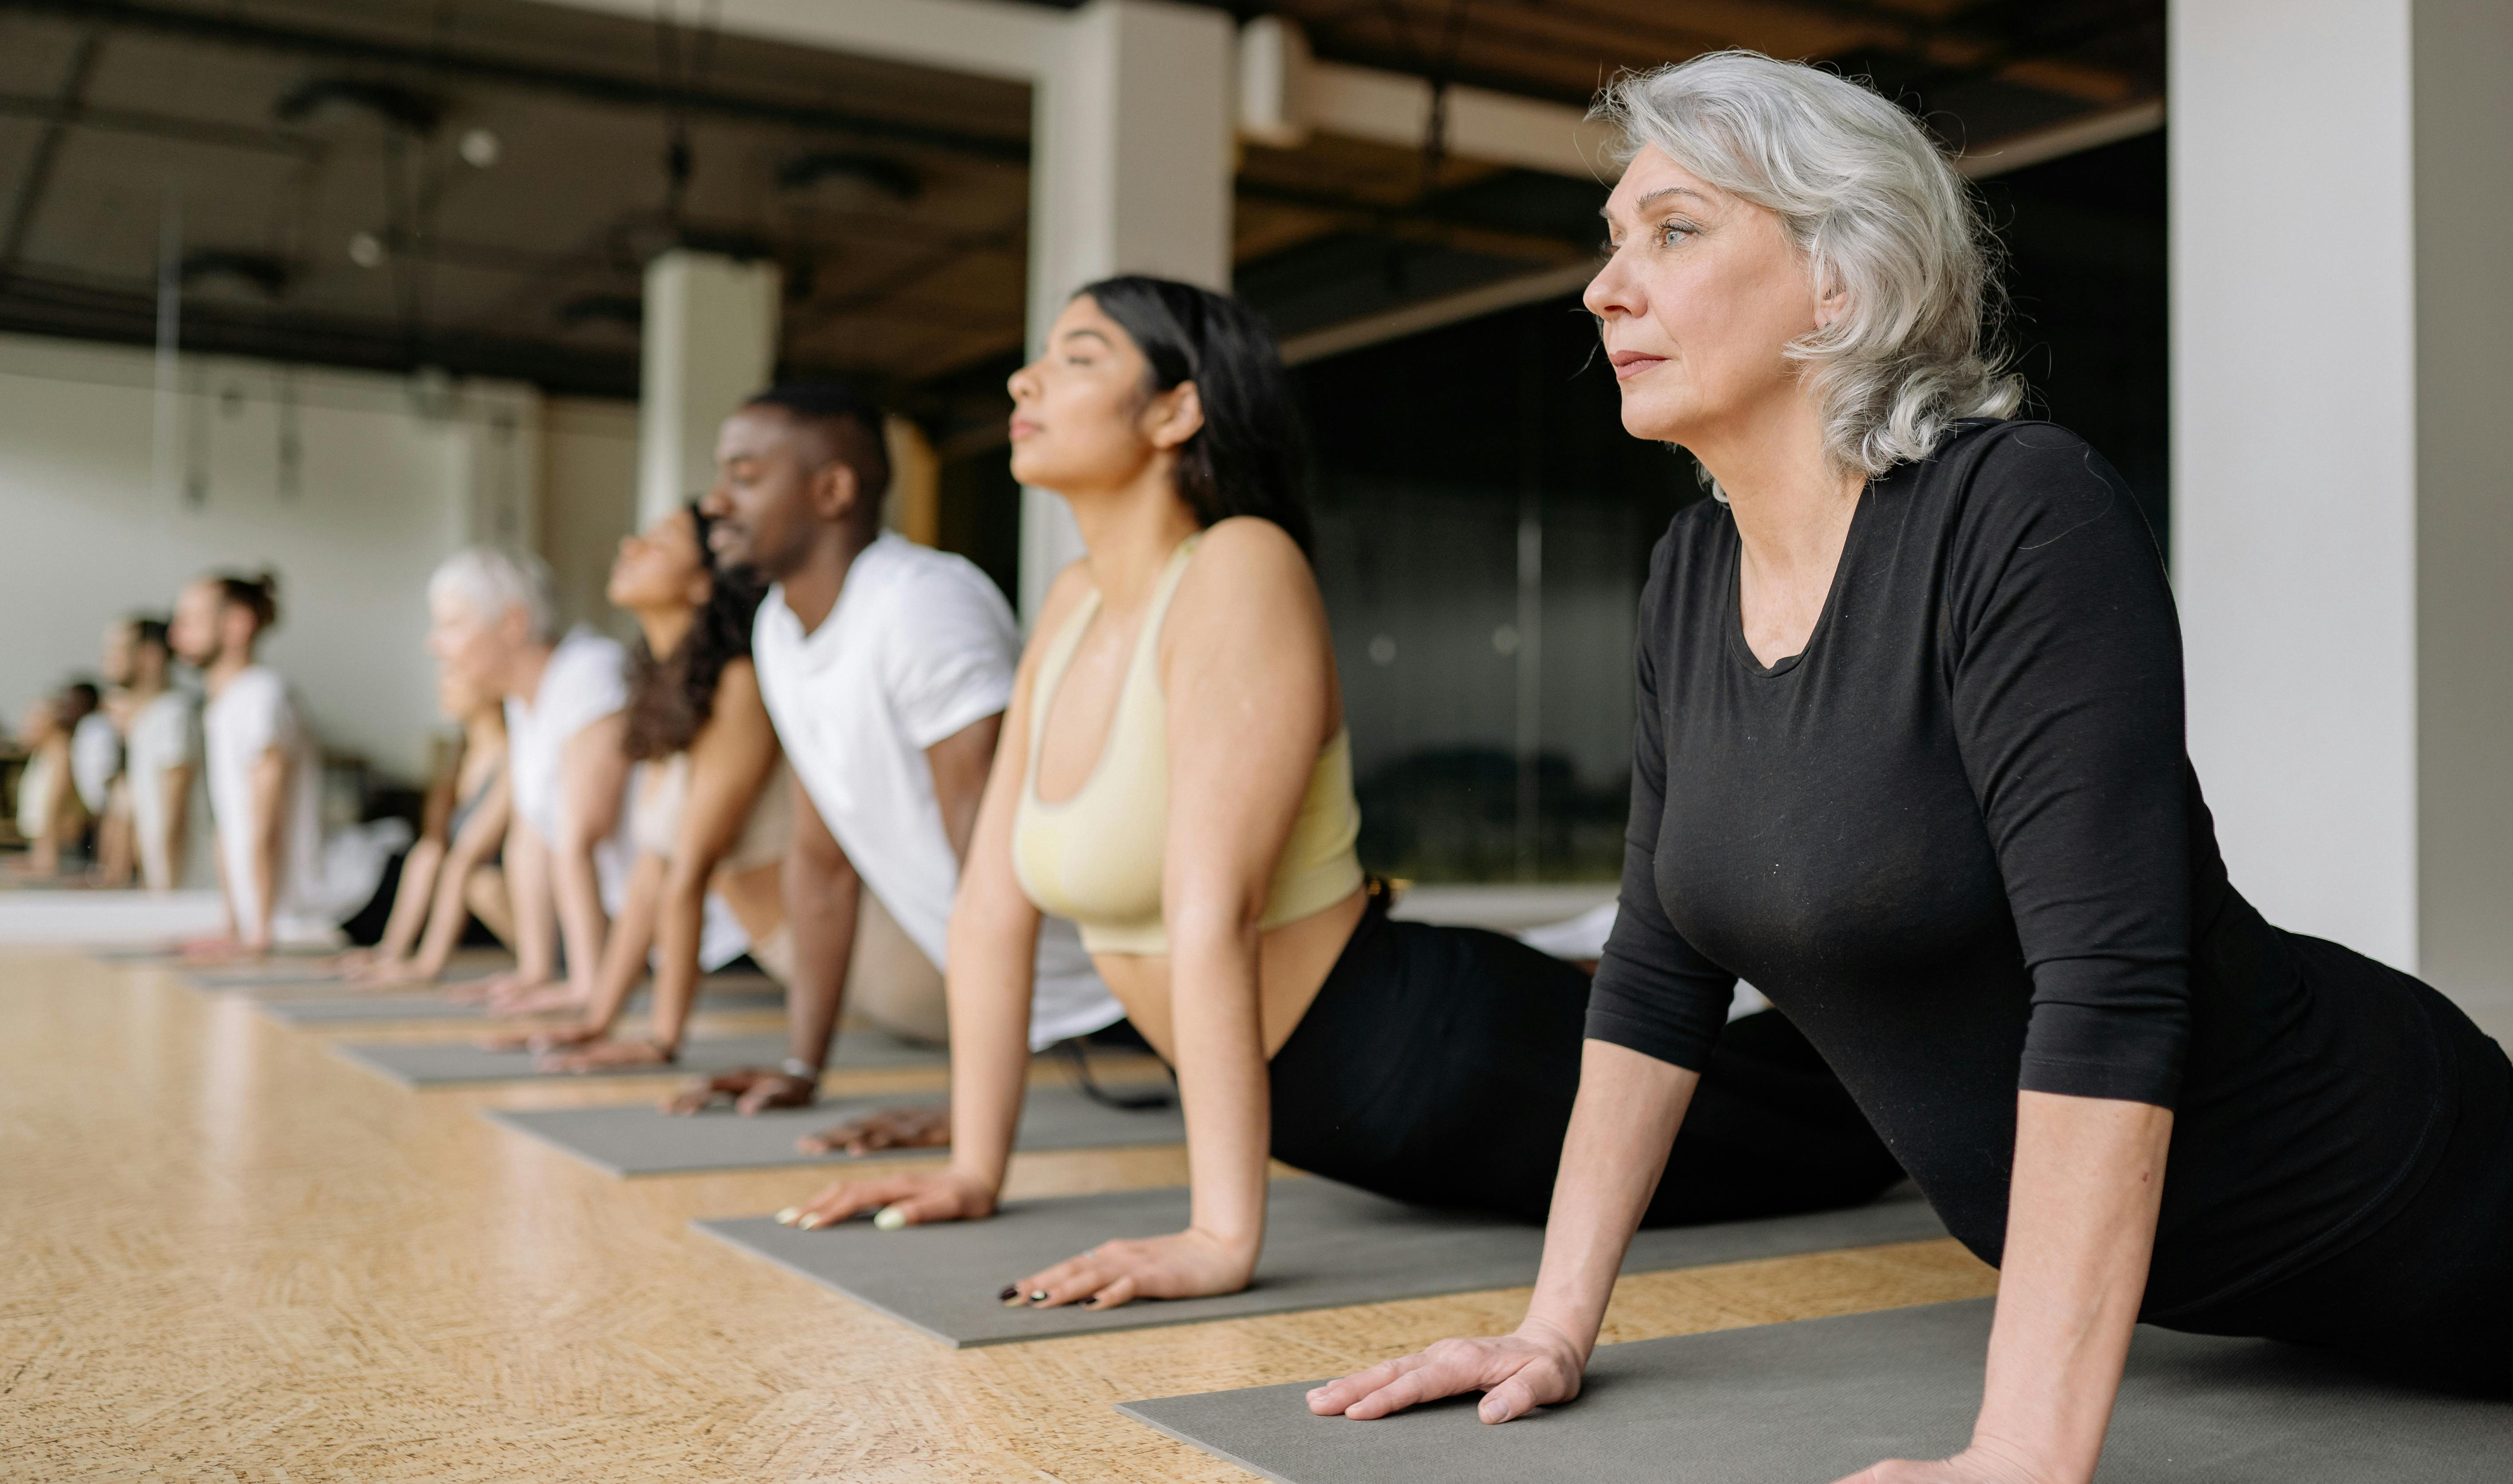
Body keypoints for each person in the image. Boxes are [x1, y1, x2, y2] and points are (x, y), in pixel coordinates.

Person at [1306, 50, 2513, 1481]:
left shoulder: (2017, 511)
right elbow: (1653, 971)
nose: (1603, 286)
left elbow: (2114, 984)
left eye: (1673, 230)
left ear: (1840, 279)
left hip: (2395, 1183)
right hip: (2228, 1293)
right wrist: (1551, 1326)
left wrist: (2018, 1450)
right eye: (1611, 239)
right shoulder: (1691, 570)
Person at [761, 279, 1902, 1292]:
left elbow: (1212, 912)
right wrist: (972, 1164)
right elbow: (989, 911)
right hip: (1347, 1113)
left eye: (1080, 355)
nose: (1027, 375)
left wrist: (1219, 1237)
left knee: (1856, 1129)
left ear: (1175, 410)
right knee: (1820, 1097)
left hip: (1437, 1062)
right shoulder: (1067, 607)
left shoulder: (1240, 567)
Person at [672, 384, 1130, 1125]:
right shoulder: (778, 633)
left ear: (834, 489)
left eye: (746, 476)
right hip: (1027, 1026)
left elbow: (986, 846)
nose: (716, 501)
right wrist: (802, 1067)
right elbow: (821, 864)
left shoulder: (921, 603)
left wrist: (973, 1112)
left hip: (1120, 1004)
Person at [518, 502, 792, 1071]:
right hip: (785, 957)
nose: (629, 547)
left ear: (701, 584)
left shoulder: (738, 684)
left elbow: (687, 872)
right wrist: (598, 1019)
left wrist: (661, 1042)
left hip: (846, 959)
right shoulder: (666, 693)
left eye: (660, 541)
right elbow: (648, 877)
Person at [424, 547, 636, 1015]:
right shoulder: (525, 700)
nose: (436, 645)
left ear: (513, 623)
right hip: (632, 941)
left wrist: (587, 985)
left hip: (704, 949)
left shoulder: (588, 672)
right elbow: (531, 840)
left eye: (452, 624)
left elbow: (580, 834)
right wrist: (534, 971)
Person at [170, 573, 393, 955]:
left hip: (359, 898)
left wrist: (259, 934)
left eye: (191, 620)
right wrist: (235, 926)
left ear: (238, 623)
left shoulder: (262, 696)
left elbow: (265, 824)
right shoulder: (224, 707)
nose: (176, 634)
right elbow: (227, 826)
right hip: (286, 914)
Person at [333, 652, 514, 984]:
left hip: (500, 899)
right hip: (464, 899)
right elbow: (433, 851)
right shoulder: (460, 758)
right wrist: (389, 952)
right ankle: (392, 949)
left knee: (476, 880)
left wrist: (426, 968)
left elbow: (466, 857)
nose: (442, 685)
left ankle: (427, 961)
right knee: (427, 854)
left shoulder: (513, 757)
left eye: (455, 675)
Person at [99, 617, 196, 892]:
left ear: (151, 656)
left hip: (184, 891)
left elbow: (175, 813)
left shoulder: (173, 715)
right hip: (164, 887)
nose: (107, 660)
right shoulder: (146, 722)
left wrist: (167, 892)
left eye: (116, 650)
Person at [12, 689, 86, 878]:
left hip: (60, 854)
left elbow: (54, 808)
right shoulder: (42, 755)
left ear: (49, 720)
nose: (25, 724)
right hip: (44, 851)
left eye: (32, 718)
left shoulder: (60, 753)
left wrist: (46, 859)